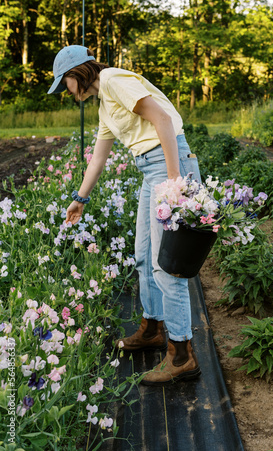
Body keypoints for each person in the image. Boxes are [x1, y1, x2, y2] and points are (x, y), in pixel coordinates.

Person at [48, 45, 202, 386]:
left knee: (167, 266)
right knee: (144, 256)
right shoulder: (105, 104)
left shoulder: (114, 79)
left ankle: (182, 355)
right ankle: (152, 329)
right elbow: (98, 159)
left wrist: (175, 181)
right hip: (151, 171)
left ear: (77, 74)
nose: (65, 92)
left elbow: (161, 118)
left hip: (167, 165)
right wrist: (80, 200)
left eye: (65, 84)